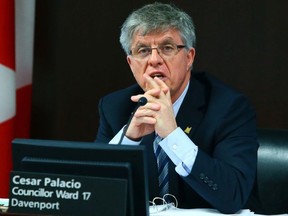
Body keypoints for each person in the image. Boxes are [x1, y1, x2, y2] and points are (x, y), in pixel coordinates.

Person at [95, 2, 258, 214]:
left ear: (189, 57)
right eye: (143, 51)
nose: (154, 60)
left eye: (167, 48)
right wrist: (128, 140)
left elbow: (232, 196)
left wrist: (173, 136)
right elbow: (94, 195)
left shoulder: (229, 108)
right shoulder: (115, 107)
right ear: (130, 62)